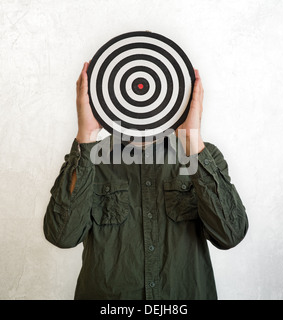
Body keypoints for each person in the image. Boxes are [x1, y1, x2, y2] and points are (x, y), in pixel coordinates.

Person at [43, 62, 249, 300]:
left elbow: (230, 235)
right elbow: (61, 236)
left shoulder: (203, 156)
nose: (143, 97)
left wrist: (192, 140)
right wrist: (86, 136)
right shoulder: (90, 159)